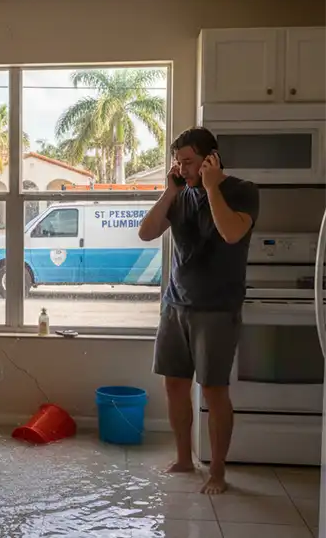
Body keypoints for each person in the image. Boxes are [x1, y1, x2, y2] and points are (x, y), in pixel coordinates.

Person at [138, 127, 259, 495]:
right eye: (178, 162)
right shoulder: (180, 195)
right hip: (176, 304)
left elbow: (232, 233)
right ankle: (183, 459)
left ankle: (217, 472)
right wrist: (170, 191)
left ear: (212, 159)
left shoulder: (242, 191)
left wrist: (211, 187)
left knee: (213, 390)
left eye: (188, 162)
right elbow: (146, 232)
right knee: (174, 384)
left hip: (217, 309)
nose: (182, 169)